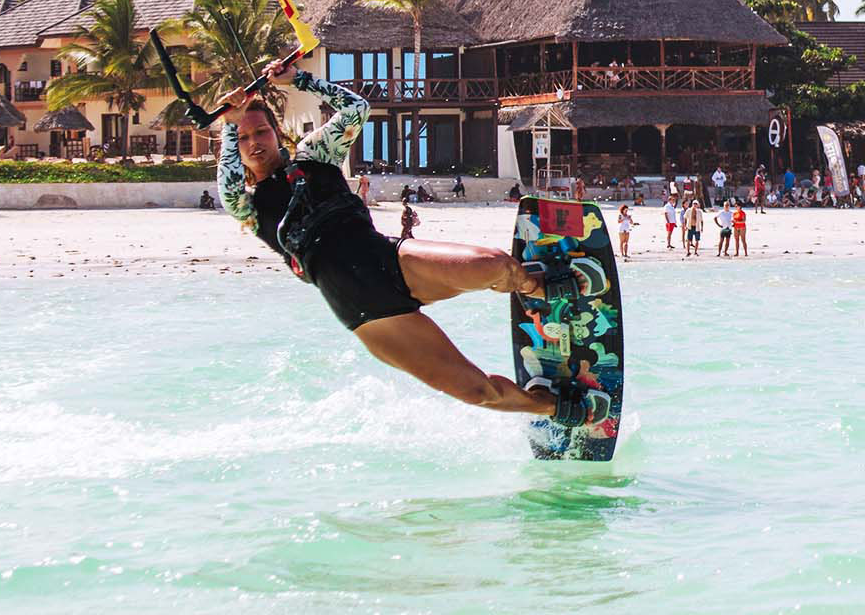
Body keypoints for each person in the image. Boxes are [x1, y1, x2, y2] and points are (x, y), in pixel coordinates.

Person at [216, 65, 602, 425]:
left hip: (391, 260)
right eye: (243, 137)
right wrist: (229, 126)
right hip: (369, 317)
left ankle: (535, 286)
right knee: (476, 391)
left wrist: (300, 80)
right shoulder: (247, 205)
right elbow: (228, 187)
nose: (254, 144)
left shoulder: (315, 155)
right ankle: (549, 404)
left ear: (276, 131)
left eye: (260, 132)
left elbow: (356, 108)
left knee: (496, 265)